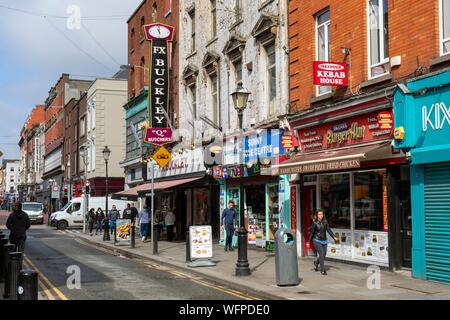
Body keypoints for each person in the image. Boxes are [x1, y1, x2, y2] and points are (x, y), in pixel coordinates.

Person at [307, 209, 338, 275]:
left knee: (324, 255)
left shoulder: (325, 222)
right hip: (316, 240)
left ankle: (316, 263)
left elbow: (329, 230)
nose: (321, 215)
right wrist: (308, 242)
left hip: (324, 240)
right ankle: (322, 270)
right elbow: (312, 233)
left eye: (322, 214)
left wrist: (334, 236)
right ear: (317, 215)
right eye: (319, 214)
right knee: (321, 253)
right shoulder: (315, 223)